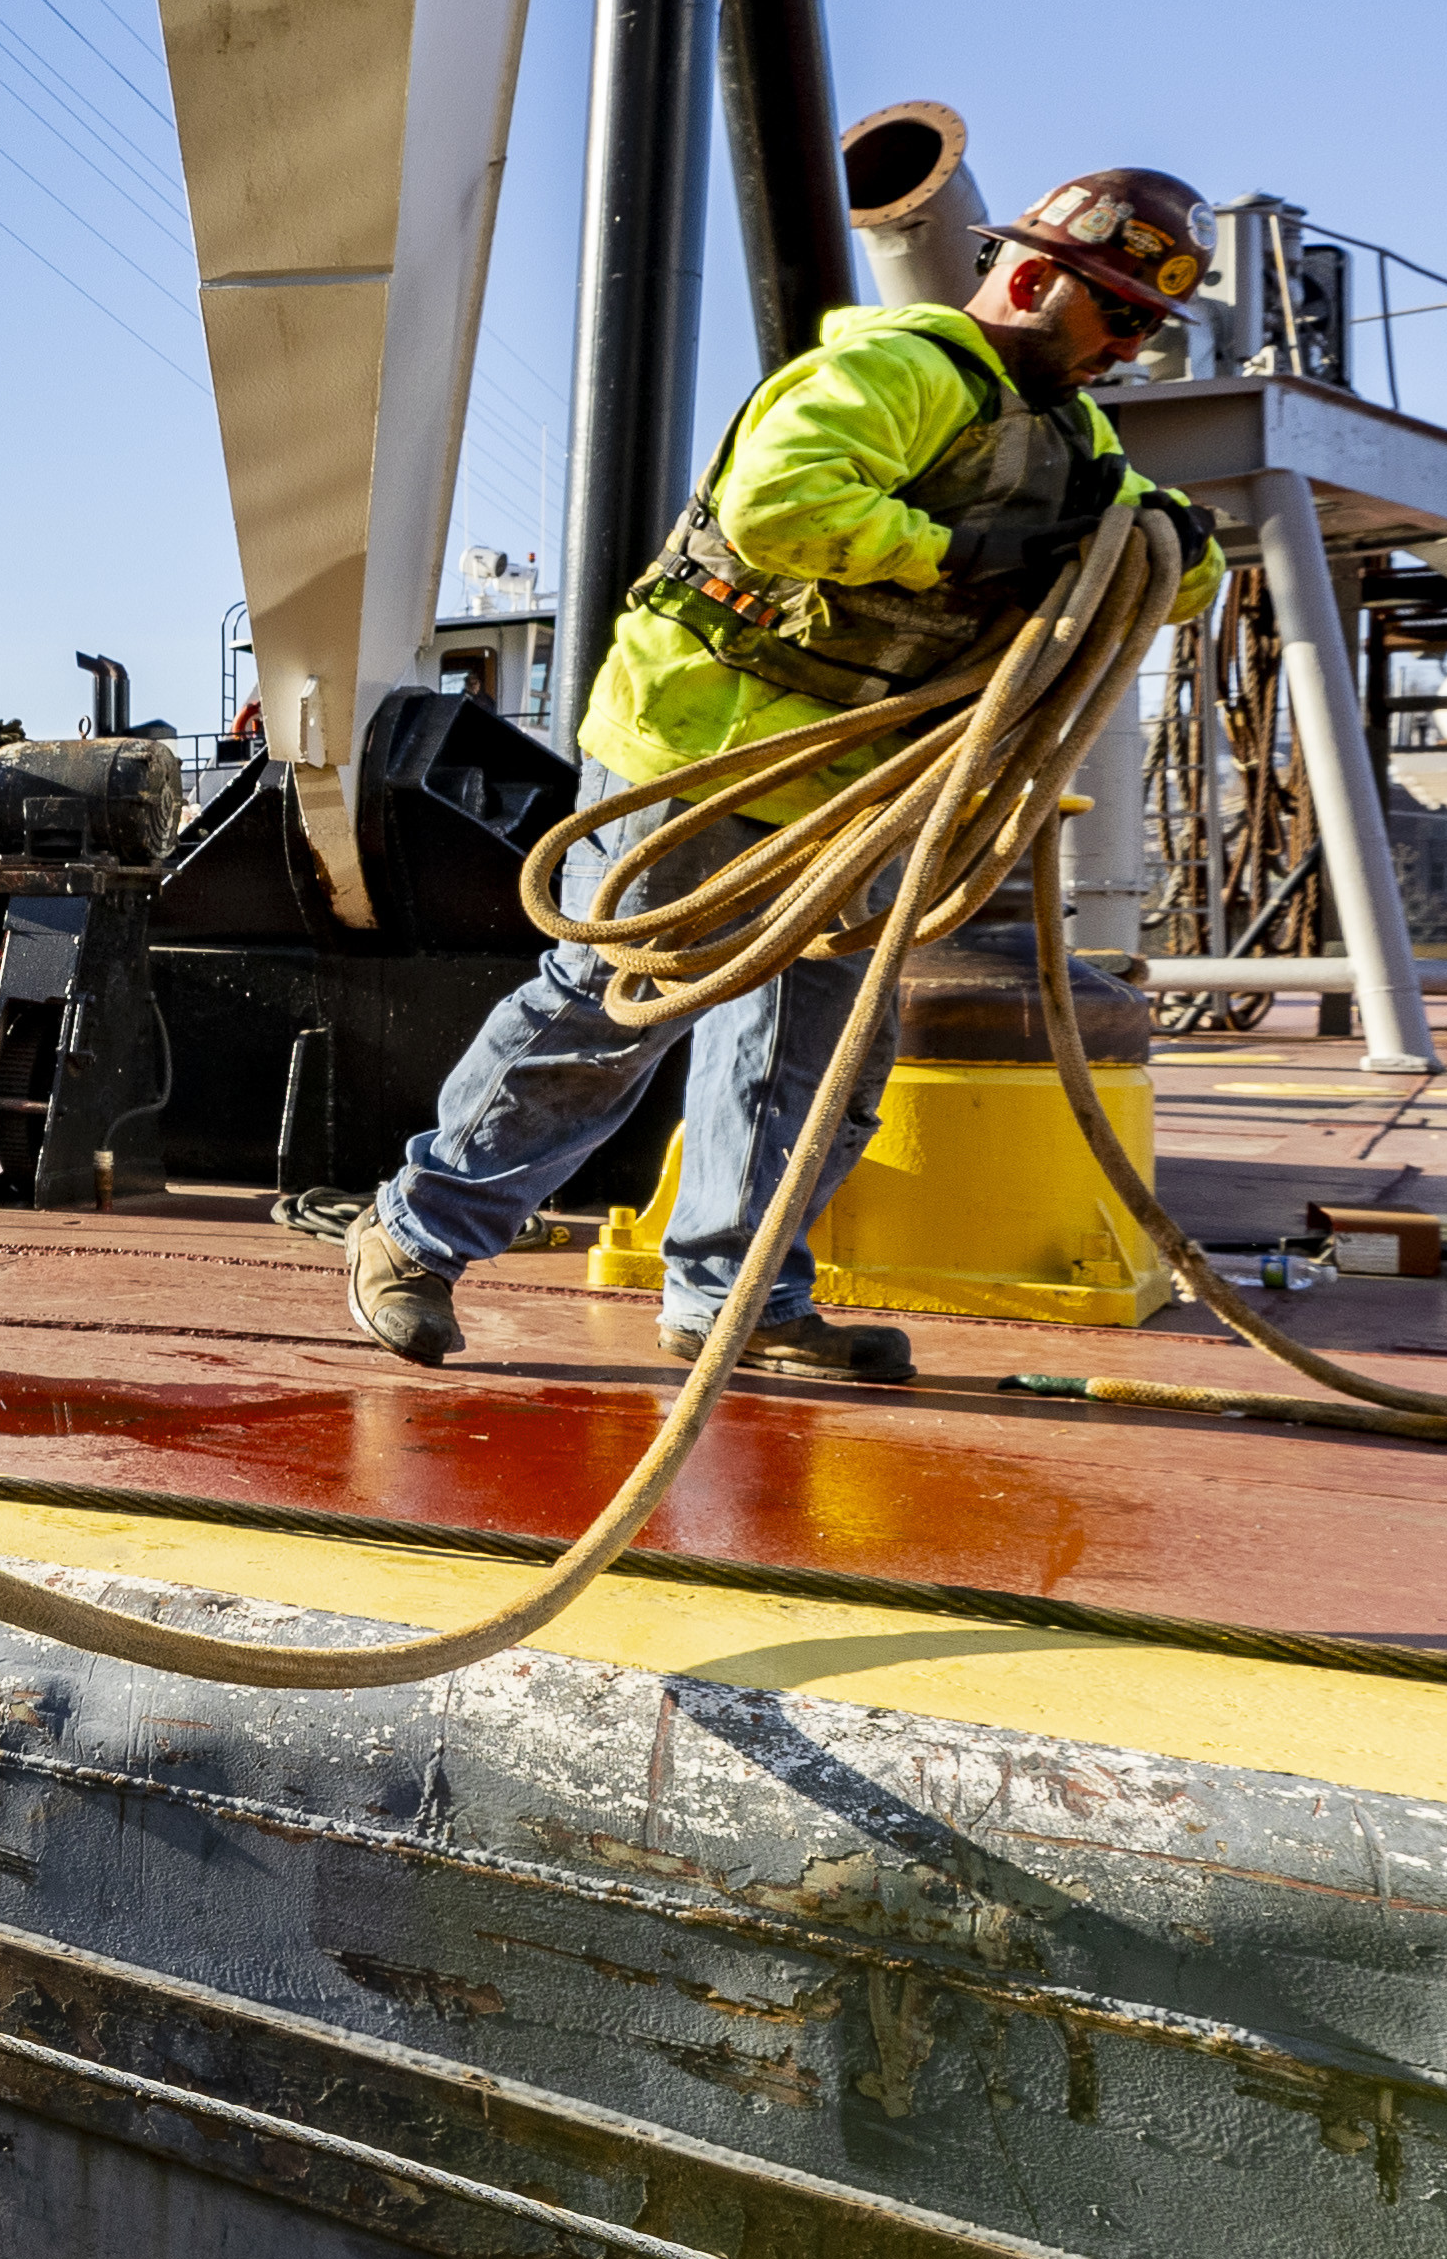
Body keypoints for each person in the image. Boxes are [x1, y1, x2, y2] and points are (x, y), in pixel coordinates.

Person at [344, 169, 1227, 1380]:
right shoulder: (900, 371)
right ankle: (414, 1234)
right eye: (1120, 317)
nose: (1128, 349)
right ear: (1030, 278)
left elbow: (1156, 565)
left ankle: (739, 1299)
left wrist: (1183, 542)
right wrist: (968, 552)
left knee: (808, 1062)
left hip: (852, 797)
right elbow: (783, 506)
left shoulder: (1081, 446)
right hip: (706, 749)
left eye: (1148, 328)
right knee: (612, 1010)